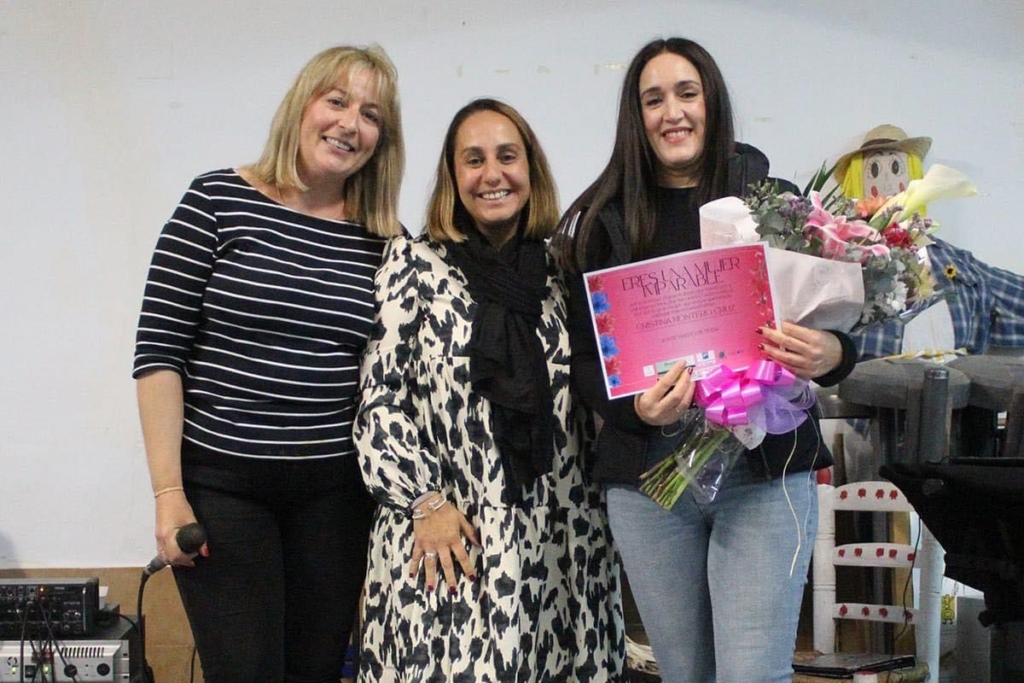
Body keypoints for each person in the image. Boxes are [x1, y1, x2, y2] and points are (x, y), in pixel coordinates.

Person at [553, 38, 858, 683]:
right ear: (636, 118)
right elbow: (585, 358)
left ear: (711, 101)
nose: (673, 113)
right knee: (685, 674)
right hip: (649, 484)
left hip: (764, 471)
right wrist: (634, 409)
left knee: (752, 674)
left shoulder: (775, 205)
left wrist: (831, 353)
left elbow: (832, 323)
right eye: (653, 99)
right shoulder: (603, 220)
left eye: (686, 93)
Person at [132, 45, 404, 683]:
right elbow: (158, 354)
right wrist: (168, 496)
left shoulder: (385, 241)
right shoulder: (215, 201)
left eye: (371, 115)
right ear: (301, 106)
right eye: (337, 101)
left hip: (335, 501)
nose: (350, 124)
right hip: (224, 490)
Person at [354, 98, 624, 682]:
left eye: (507, 156)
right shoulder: (413, 266)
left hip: (561, 544)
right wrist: (424, 502)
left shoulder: (565, 273)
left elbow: (595, 397)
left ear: (531, 169)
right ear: (453, 177)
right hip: (444, 536)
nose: (492, 174)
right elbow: (378, 402)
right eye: (473, 160)